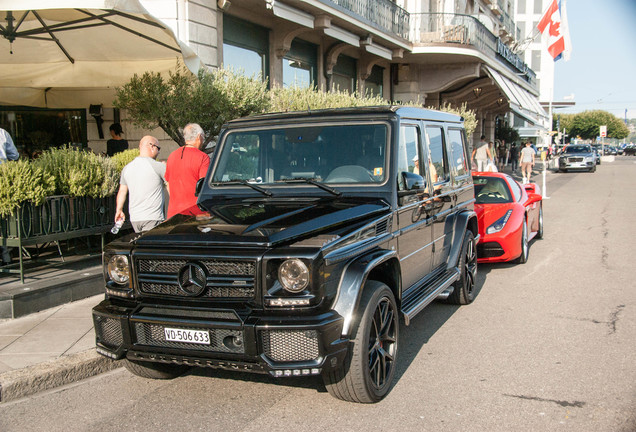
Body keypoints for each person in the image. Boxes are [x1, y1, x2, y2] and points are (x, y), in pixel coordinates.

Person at [114, 136, 166, 233]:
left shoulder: (127, 168)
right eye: (158, 148)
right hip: (153, 217)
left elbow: (122, 191)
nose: (159, 152)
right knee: (152, 247)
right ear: (152, 146)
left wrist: (119, 210)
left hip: (135, 218)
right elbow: (171, 187)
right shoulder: (158, 166)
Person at [165, 123, 210, 218]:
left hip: (174, 214)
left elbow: (168, 183)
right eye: (203, 137)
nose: (203, 141)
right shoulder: (202, 157)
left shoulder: (172, 156)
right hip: (195, 213)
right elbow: (204, 185)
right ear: (198, 137)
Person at [1, 127, 19, 265]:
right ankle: (5, 255)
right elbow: (14, 156)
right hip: (3, 179)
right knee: (3, 220)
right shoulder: (2, 133)